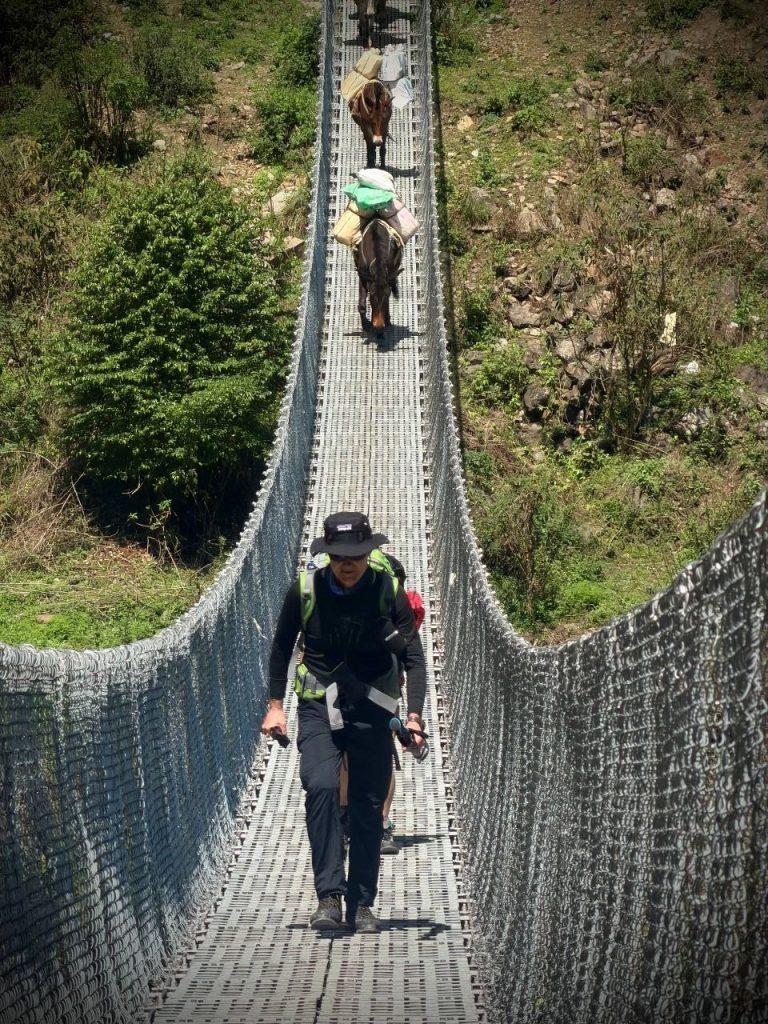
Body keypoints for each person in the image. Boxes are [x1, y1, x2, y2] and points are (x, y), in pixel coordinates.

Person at [261, 511, 426, 933]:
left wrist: (414, 716)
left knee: (368, 806)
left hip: (373, 704)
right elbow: (281, 647)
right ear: (327, 555)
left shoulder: (387, 591)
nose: (347, 563)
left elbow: (413, 657)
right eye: (338, 555)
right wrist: (276, 705)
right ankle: (329, 897)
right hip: (318, 702)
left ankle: (362, 904)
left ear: (369, 553)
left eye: (355, 555)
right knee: (320, 786)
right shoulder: (306, 589)